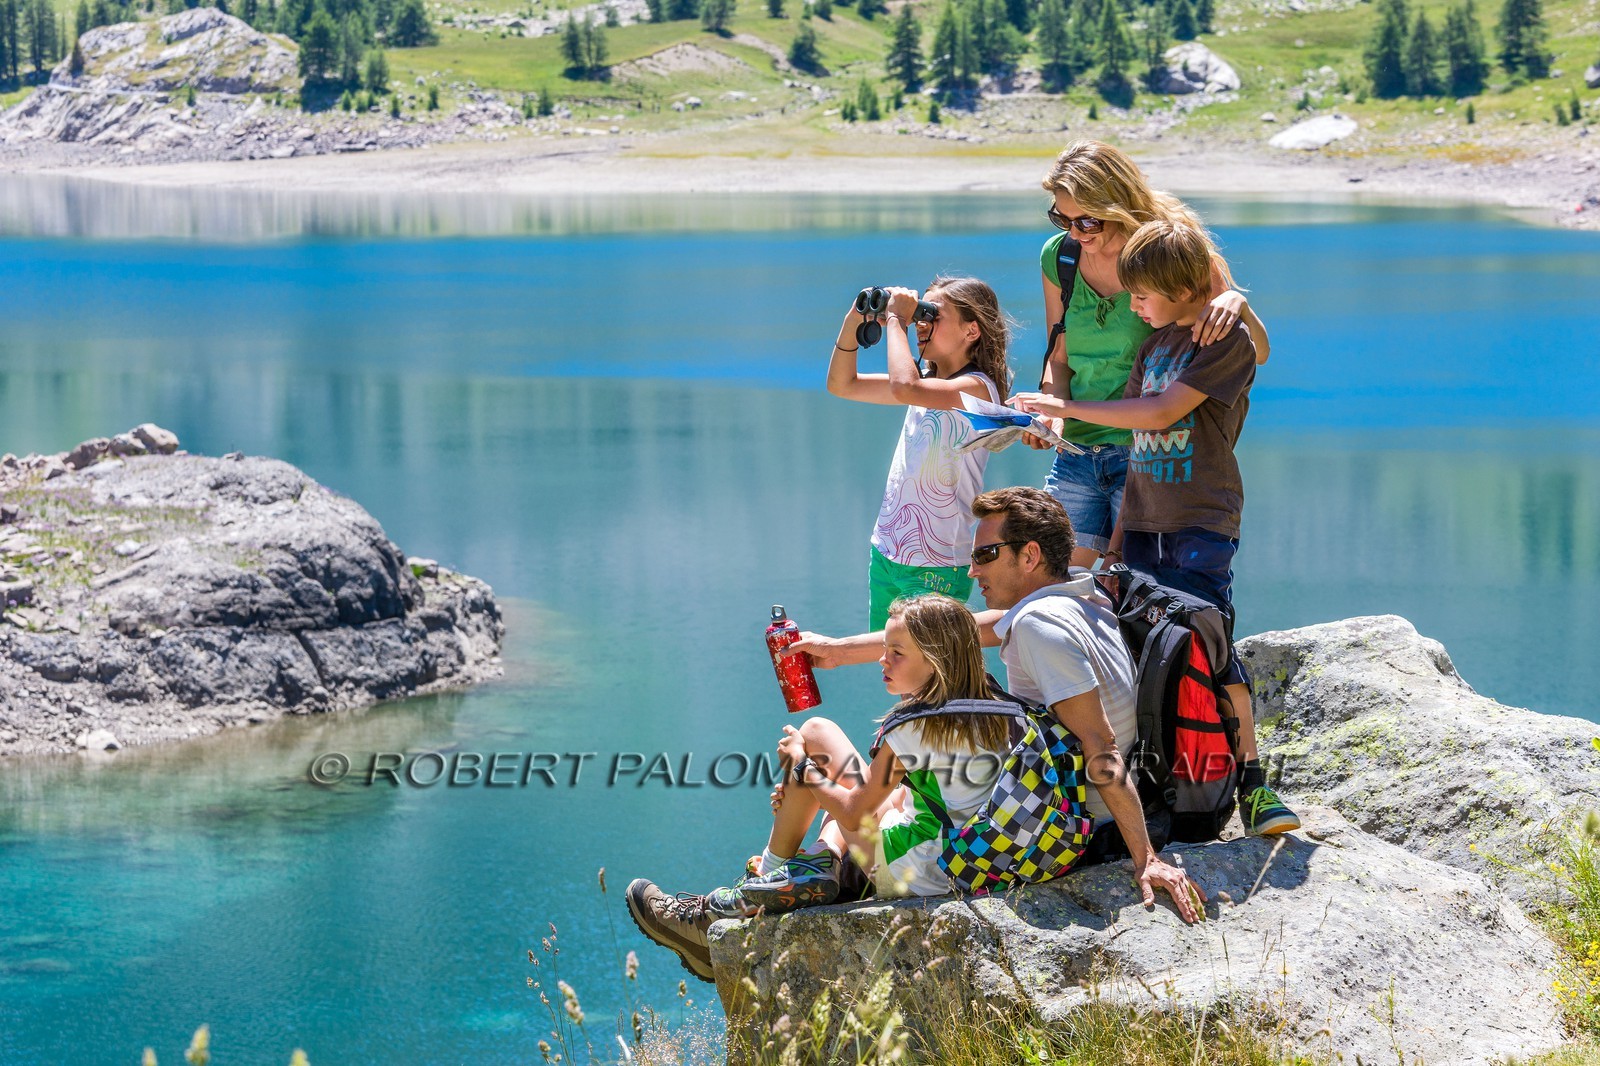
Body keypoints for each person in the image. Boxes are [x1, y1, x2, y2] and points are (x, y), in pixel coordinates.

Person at [788, 487, 1208, 923]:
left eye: (985, 554)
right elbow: (953, 631)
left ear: (1029, 556)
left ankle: (796, 869)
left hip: (1060, 823)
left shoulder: (1038, 627)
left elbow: (1101, 745)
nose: (971, 571)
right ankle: (817, 863)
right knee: (893, 794)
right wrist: (838, 650)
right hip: (1046, 799)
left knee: (831, 753)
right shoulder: (1089, 596)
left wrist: (1146, 859)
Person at [1010, 219, 1300, 837]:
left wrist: (1065, 406)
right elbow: (1142, 446)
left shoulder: (1224, 344)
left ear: (1183, 284)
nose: (1132, 305)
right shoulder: (1152, 346)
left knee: (1211, 642)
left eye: (1141, 294)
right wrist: (1115, 545)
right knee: (1143, 648)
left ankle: (1253, 786)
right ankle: (1166, 780)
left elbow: (1162, 411)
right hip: (1141, 524)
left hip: (1200, 519)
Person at [625, 595, 1021, 982]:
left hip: (919, 874)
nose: (882, 660)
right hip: (972, 861)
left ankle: (757, 888)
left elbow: (852, 812)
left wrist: (801, 768)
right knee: (830, 772)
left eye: (896, 652)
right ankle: (812, 862)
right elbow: (927, 797)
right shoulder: (995, 706)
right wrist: (818, 787)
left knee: (814, 735)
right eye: (884, 648)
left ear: (936, 659)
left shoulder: (915, 726)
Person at [1032, 140, 1272, 571]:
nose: (1074, 233)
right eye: (1061, 218)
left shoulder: (1164, 252)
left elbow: (1257, 351)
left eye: (1087, 220)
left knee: (1134, 593)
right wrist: (1051, 414)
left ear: (1117, 203)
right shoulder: (1061, 257)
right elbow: (1059, 355)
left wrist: (1237, 302)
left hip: (1148, 455)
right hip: (1077, 449)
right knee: (1050, 586)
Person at [826, 276, 1013, 628]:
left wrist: (897, 318)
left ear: (971, 330)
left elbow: (906, 387)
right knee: (895, 668)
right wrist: (854, 319)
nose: (921, 323)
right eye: (920, 315)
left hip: (937, 562)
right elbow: (842, 384)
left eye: (932, 315)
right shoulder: (928, 383)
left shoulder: (977, 389)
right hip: (887, 551)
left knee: (931, 674)